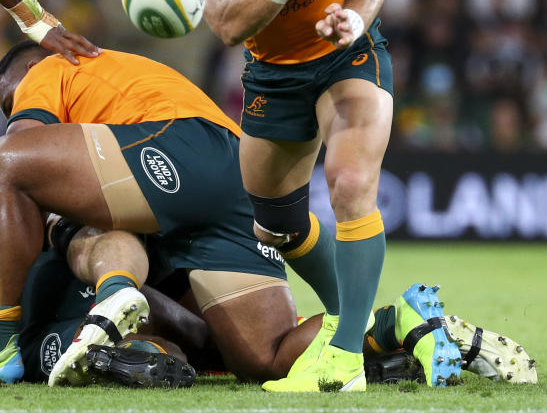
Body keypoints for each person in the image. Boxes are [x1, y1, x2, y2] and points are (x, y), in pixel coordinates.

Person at [0, 43, 448, 388]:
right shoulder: (117, 78)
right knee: (264, 359)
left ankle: (1, 343)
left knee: (7, 163)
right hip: (235, 177)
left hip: (179, 149)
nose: (11, 113)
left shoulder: (48, 70)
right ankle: (397, 323)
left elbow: (18, 150)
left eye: (8, 103)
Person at [182, 0, 423, 392]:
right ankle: (356, 319)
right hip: (273, 78)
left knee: (348, 182)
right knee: (275, 227)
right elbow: (227, 23)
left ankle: (342, 360)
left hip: (347, 56)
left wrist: (353, 18)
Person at [18, 220, 537, 387]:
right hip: (213, 227)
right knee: (206, 352)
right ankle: (395, 338)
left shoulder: (37, 164)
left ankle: (390, 326)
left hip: (204, 232)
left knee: (258, 357)